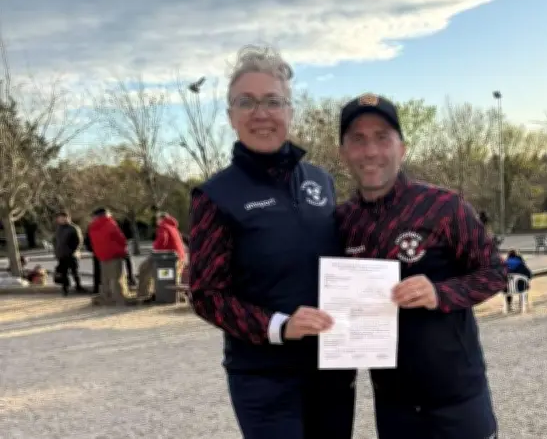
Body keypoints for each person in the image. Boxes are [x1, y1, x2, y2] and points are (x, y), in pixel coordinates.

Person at [187, 45, 354, 439]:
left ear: (290, 112)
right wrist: (279, 326)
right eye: (246, 102)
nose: (261, 113)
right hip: (263, 376)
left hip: (330, 365)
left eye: (273, 101)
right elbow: (206, 293)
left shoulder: (320, 181)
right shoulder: (215, 195)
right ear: (230, 116)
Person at [336, 93, 506, 439]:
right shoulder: (341, 222)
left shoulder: (444, 206)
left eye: (382, 138)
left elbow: (495, 272)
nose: (370, 151)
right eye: (358, 139)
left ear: (403, 148)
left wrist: (439, 293)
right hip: (393, 404)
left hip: (457, 397)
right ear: (343, 153)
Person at [136, 212, 187, 299]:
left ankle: (143, 293)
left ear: (161, 219)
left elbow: (163, 239)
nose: (156, 221)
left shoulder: (163, 227)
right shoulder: (173, 227)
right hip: (179, 257)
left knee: (143, 269)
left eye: (157, 219)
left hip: (166, 257)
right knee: (173, 276)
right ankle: (177, 296)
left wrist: (155, 248)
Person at [86, 208, 130, 304]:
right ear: (106, 214)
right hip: (114, 253)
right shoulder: (110, 224)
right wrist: (123, 248)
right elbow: (121, 238)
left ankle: (106, 296)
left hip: (102, 254)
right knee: (117, 277)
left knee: (105, 278)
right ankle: (119, 297)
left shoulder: (93, 226)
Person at [53, 211, 85, 296]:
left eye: (63, 218)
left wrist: (73, 251)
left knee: (75, 271)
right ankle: (65, 288)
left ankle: (78, 286)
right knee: (63, 273)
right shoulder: (58, 229)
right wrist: (56, 252)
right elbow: (55, 241)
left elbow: (79, 241)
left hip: (71, 254)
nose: (61, 220)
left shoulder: (73, 228)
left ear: (68, 218)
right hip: (61, 254)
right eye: (60, 218)